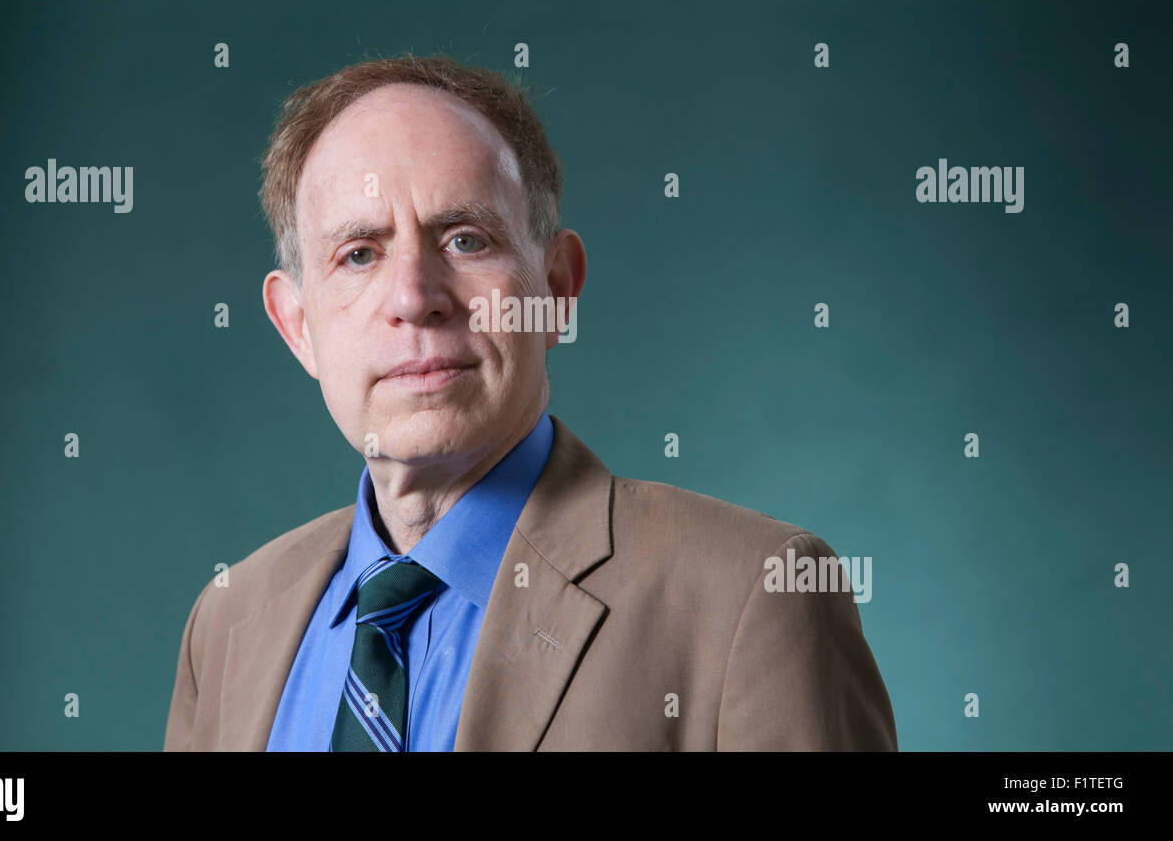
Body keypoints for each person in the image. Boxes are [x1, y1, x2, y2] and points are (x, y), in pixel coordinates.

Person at [163, 53, 898, 751]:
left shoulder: (755, 594)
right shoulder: (228, 622)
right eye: (359, 253)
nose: (414, 298)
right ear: (297, 327)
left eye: (465, 239)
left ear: (557, 289)